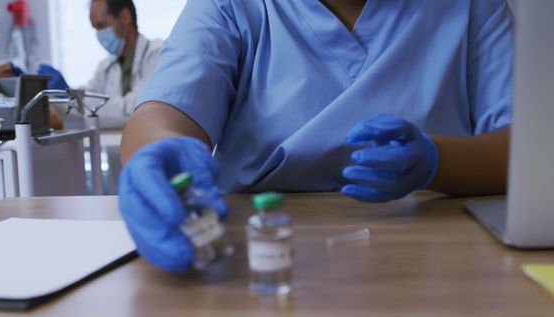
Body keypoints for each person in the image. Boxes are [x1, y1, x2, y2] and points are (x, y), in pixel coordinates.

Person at [118, 0, 513, 272]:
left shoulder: (470, 6)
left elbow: (526, 149)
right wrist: (161, 154)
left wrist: (436, 160)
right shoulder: (232, 6)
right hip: (258, 254)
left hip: (441, 259)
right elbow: (165, 110)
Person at [38, 0, 163, 129]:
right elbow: (89, 97)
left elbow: (135, 106)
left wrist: (77, 101)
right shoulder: (105, 66)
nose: (98, 34)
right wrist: (67, 94)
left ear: (125, 17)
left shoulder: (156, 54)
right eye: (95, 28)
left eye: (102, 26)